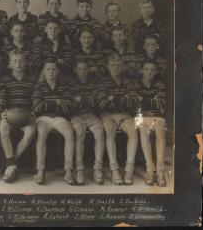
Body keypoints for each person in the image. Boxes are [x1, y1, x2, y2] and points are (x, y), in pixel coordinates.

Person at [98, 53, 139, 185]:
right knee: (109, 131)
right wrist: (123, 98)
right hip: (107, 114)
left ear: (122, 67)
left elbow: (133, 102)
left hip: (123, 114)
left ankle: (129, 169)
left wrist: (113, 98)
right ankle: (114, 169)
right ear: (108, 66)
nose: (115, 68)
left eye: (118, 65)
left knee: (134, 131)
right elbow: (102, 103)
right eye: (113, 65)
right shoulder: (103, 81)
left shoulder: (127, 82)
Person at [32, 58, 75, 185]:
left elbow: (67, 107)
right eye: (48, 69)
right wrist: (55, 102)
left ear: (58, 71)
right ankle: (40, 170)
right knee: (41, 134)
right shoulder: (39, 87)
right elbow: (37, 107)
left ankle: (68, 170)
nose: (51, 72)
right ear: (44, 71)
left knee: (69, 133)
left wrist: (46, 104)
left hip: (59, 118)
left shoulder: (64, 86)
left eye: (54, 69)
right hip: (43, 119)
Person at [0, 50, 36, 182]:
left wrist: (33, 112)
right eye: (15, 61)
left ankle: (10, 164)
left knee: (30, 131)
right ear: (10, 64)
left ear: (25, 63)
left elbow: (35, 99)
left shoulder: (32, 80)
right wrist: (2, 111)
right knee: (3, 129)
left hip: (25, 114)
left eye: (21, 61)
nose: (18, 64)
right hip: (10, 114)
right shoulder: (5, 79)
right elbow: (1, 98)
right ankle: (12, 165)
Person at [70, 60, 105, 185]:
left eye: (85, 68)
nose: (82, 71)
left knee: (100, 132)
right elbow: (71, 105)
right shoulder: (72, 84)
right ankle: (79, 170)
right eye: (80, 69)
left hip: (91, 115)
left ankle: (98, 169)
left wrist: (81, 100)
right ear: (75, 70)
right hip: (76, 116)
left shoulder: (93, 84)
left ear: (88, 70)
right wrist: (86, 100)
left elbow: (97, 102)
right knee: (80, 132)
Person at [133, 60, 167, 187]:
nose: (149, 72)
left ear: (156, 72)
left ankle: (160, 171)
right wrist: (152, 100)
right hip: (141, 116)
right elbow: (134, 103)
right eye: (146, 69)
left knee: (160, 129)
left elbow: (161, 104)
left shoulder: (159, 84)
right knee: (143, 129)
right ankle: (150, 170)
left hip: (157, 116)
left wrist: (143, 99)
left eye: (152, 70)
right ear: (141, 70)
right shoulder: (136, 85)